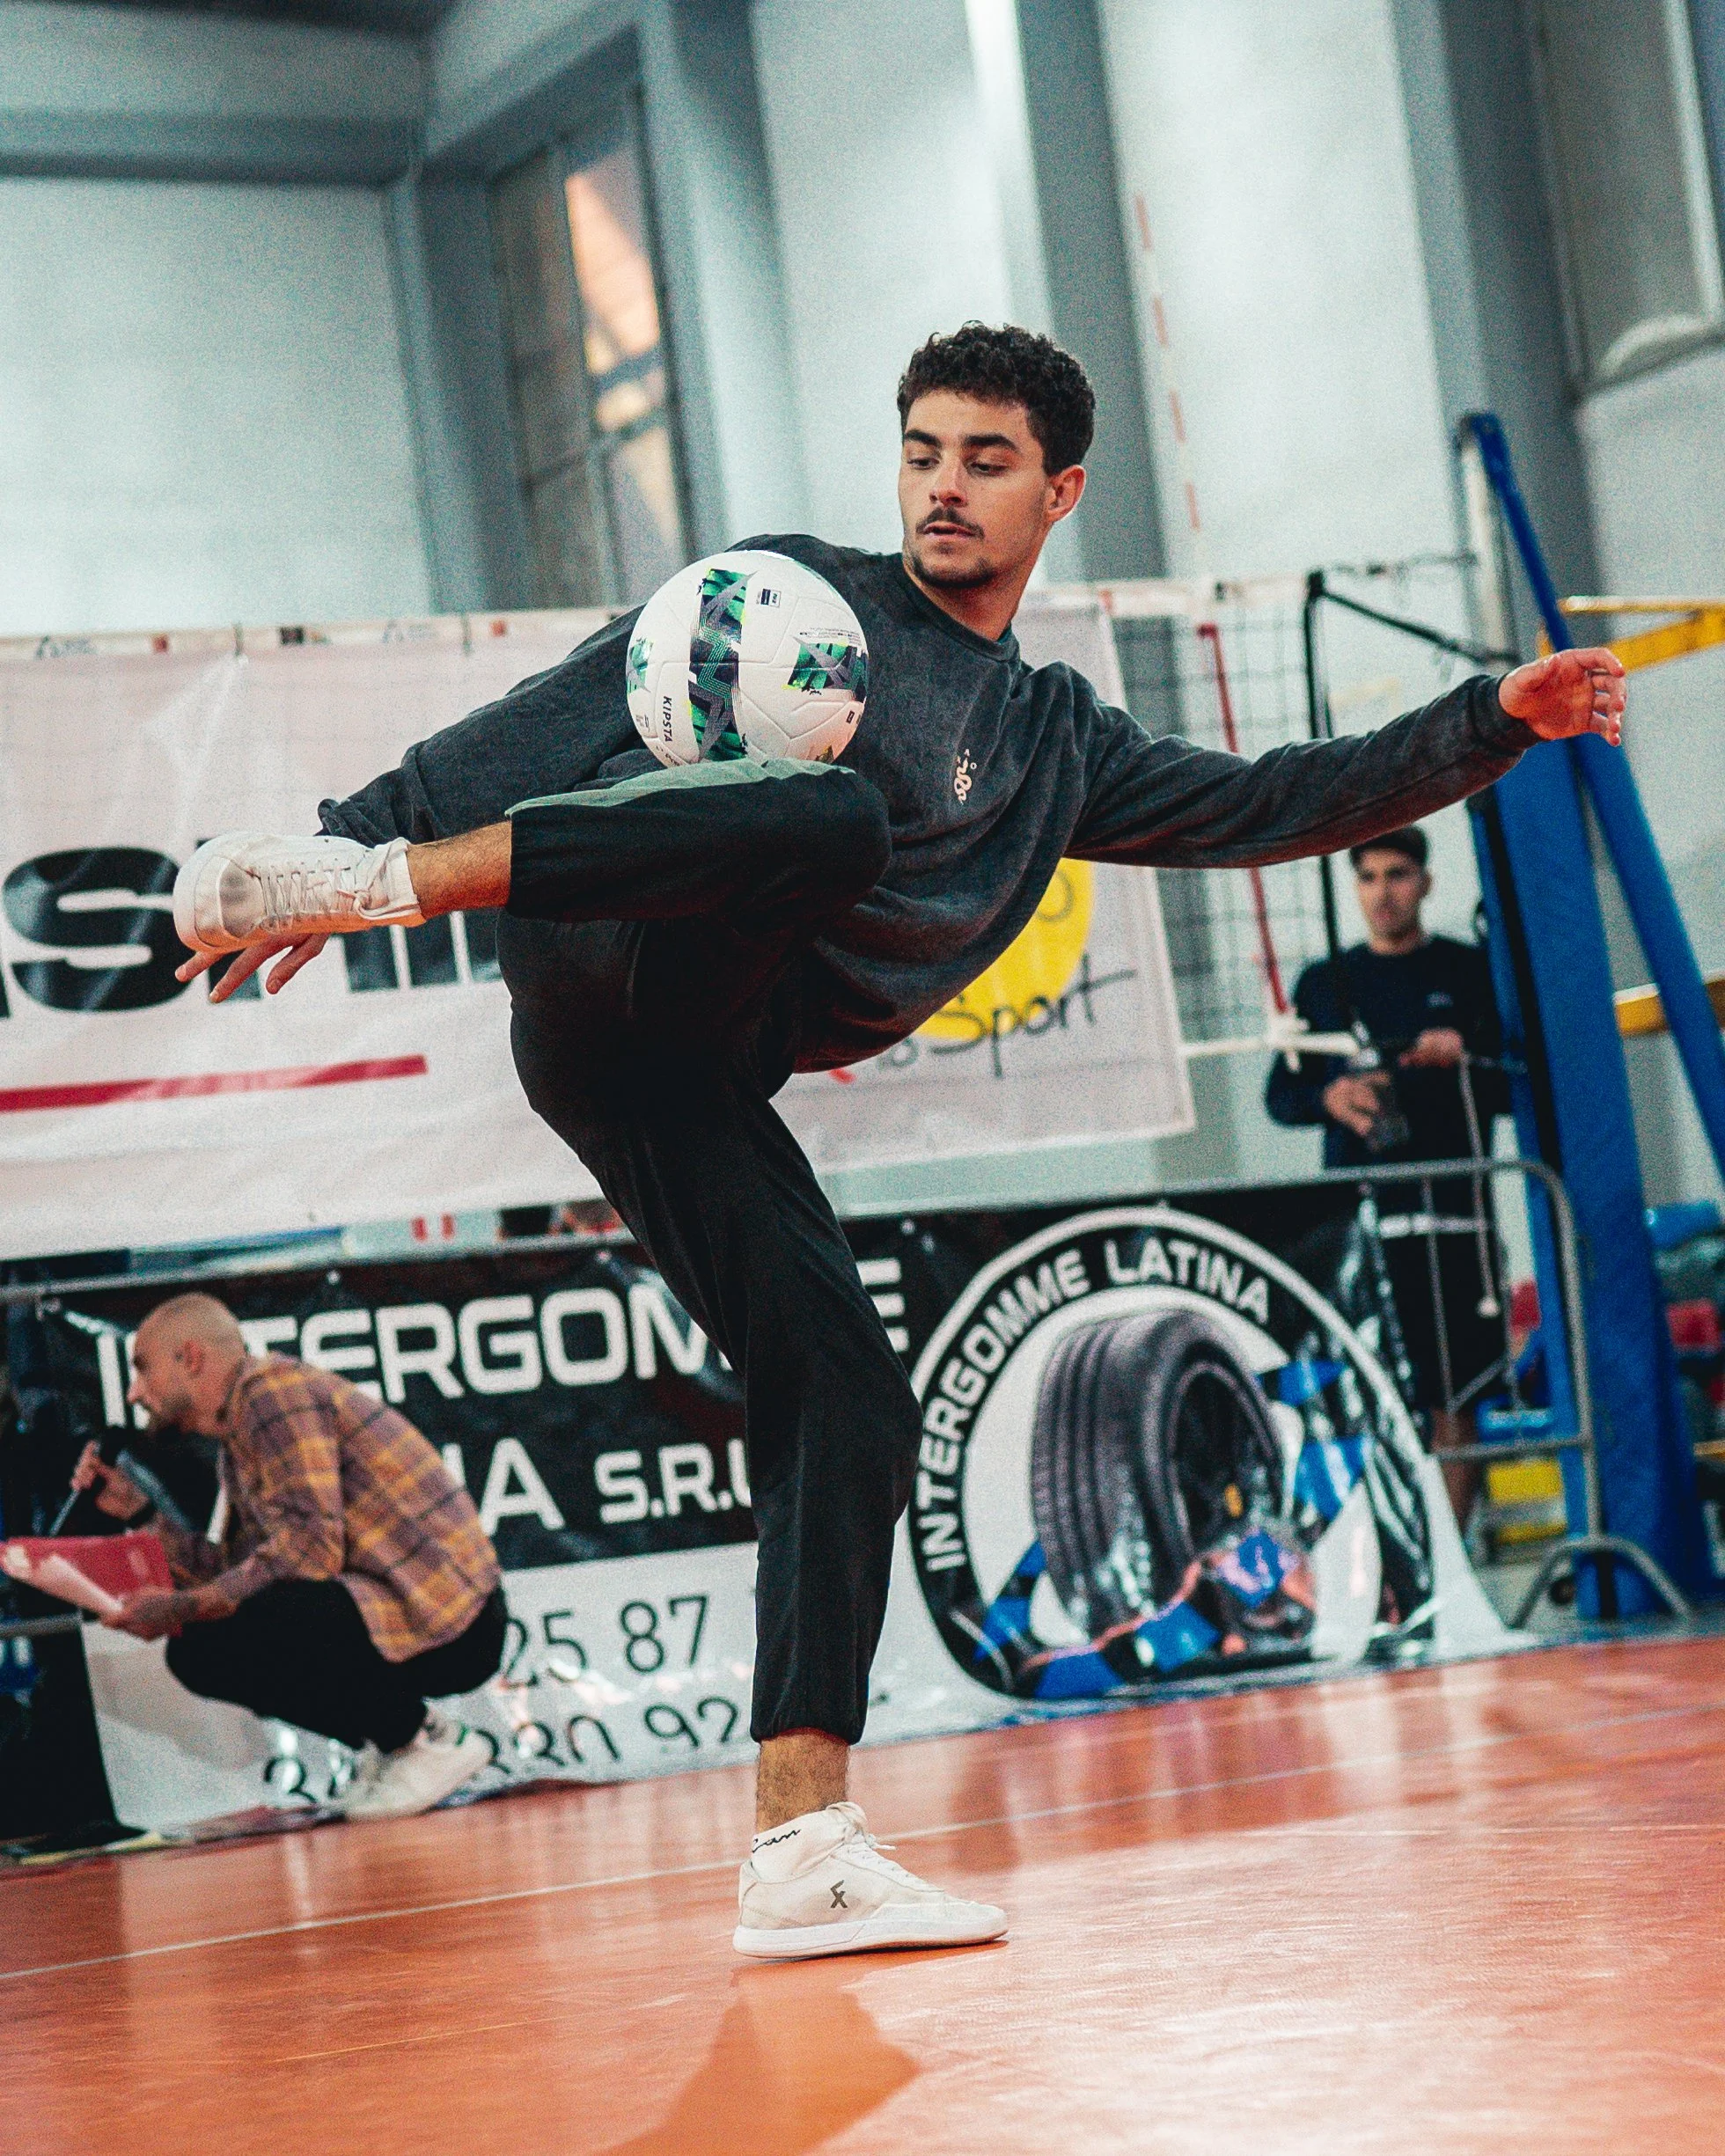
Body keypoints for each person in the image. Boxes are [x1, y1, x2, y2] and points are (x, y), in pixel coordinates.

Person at [168, 324, 1626, 1959]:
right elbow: (556, 712)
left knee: (843, 1376)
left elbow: (1274, 801)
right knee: (833, 810)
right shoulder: (798, 593)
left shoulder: (1055, 744)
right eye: (925, 450)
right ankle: (378, 890)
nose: (945, 486)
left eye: (987, 461)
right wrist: (346, 847)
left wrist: (1490, 718)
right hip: (604, 964)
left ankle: (804, 1846)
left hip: (691, 1069)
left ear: (1060, 491)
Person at [72, 1292, 504, 1818]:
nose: (136, 1393)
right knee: (199, 1653)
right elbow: (241, 1575)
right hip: (395, 1618)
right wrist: (141, 1516)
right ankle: (406, 1738)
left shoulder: (271, 1397)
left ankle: (415, 1740)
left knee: (267, 1610)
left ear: (191, 1358)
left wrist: (183, 1606)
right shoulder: (239, 1437)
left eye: (143, 1369)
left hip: (456, 1622)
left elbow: (307, 1555)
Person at [1265, 825, 1511, 1523]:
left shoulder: (1469, 973)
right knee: (1367, 1398)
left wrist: (1461, 1054)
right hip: (1362, 1231)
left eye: (1398, 874)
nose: (1384, 892)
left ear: (1427, 883)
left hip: (1450, 1221)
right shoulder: (1324, 984)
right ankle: (1400, 1571)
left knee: (1455, 1398)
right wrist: (1329, 1098)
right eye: (1369, 877)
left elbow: (1516, 1080)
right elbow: (1279, 1097)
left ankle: (1455, 1561)